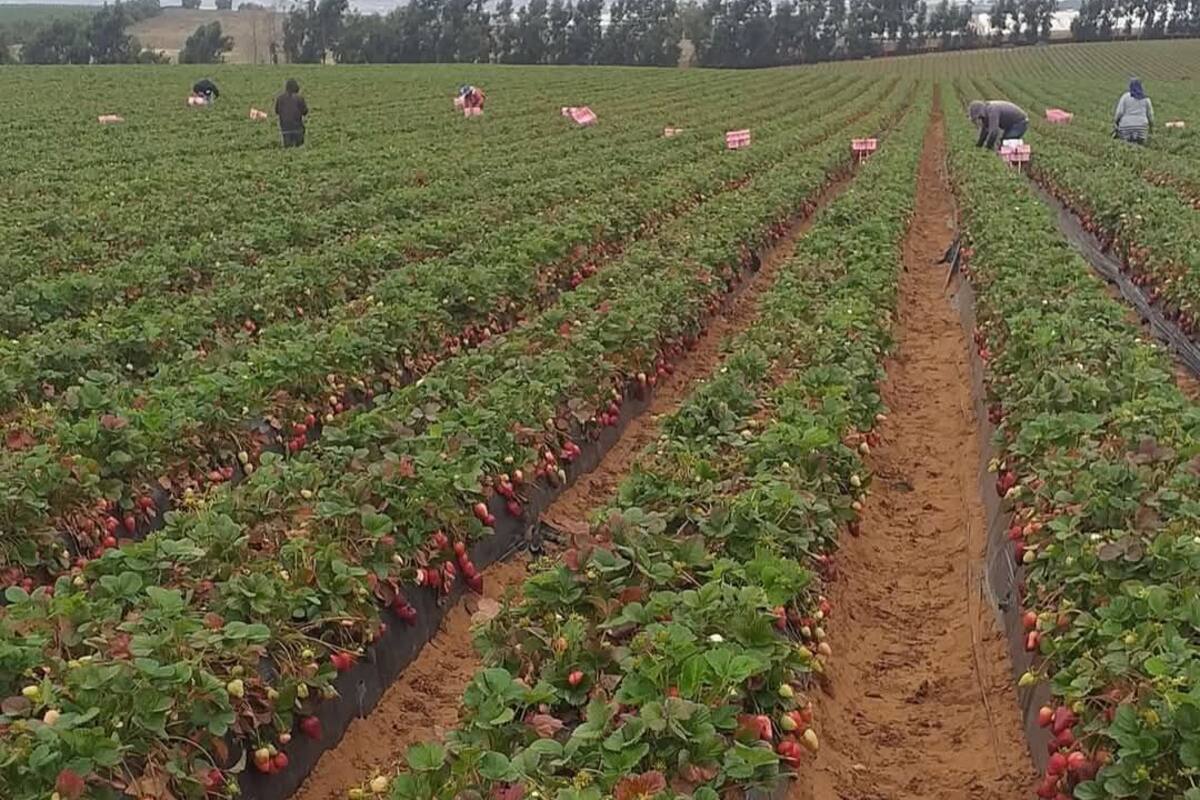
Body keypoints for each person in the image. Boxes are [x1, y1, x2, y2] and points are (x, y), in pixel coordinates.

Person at [1114, 78, 1154, 145]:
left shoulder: (1125, 97)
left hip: (1126, 126)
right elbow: (1150, 115)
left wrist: (1116, 122)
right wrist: (1151, 127)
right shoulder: (1146, 99)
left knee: (1125, 144)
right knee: (1141, 144)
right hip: (1142, 127)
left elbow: (1119, 112)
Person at [274, 78, 309, 148]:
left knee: (287, 147)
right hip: (297, 128)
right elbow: (305, 112)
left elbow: (277, 111)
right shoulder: (299, 98)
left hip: (285, 128)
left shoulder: (280, 98)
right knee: (299, 146)